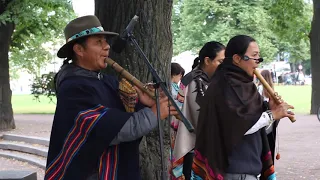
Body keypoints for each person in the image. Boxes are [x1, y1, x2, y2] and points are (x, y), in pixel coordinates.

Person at [44, 15, 177, 180]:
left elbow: (123, 112)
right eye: (98, 42)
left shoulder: (106, 80)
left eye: (106, 41)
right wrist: (154, 113)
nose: (107, 47)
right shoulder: (73, 88)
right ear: (79, 50)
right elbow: (114, 130)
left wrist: (144, 102)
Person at [191, 35, 294, 180]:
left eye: (259, 56)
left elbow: (257, 128)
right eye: (254, 57)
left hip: (249, 169)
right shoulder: (225, 85)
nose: (257, 63)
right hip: (233, 170)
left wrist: (271, 112)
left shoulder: (245, 84)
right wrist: (271, 115)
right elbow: (238, 126)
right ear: (237, 59)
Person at [170, 41, 225, 180]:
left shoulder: (204, 80)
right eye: (220, 61)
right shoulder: (196, 81)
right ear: (207, 60)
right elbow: (201, 119)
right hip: (192, 148)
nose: (223, 66)